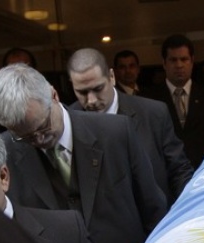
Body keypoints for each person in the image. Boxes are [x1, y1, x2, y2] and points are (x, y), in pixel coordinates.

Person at [0, 63, 167, 243]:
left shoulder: (116, 133)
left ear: (53, 95)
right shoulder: (4, 153)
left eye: (43, 126)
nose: (39, 139)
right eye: (25, 136)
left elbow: (154, 208)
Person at [67, 47, 194, 204]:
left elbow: (178, 170)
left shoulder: (153, 113)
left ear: (111, 77)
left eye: (98, 89)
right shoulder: (69, 122)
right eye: (82, 92)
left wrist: (191, 208)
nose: (91, 100)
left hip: (154, 219)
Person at [142, 34, 204, 168]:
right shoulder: (149, 99)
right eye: (173, 60)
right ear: (164, 63)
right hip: (164, 176)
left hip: (203, 173)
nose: (179, 65)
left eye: (184, 59)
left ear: (192, 61)